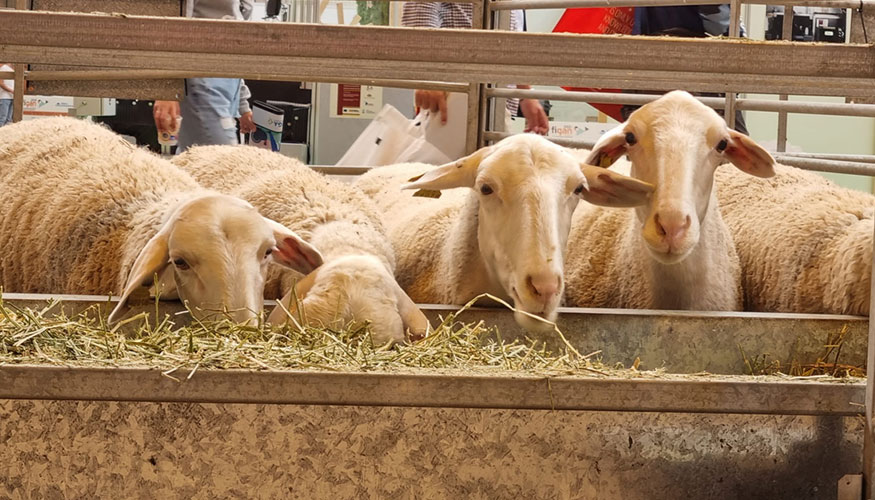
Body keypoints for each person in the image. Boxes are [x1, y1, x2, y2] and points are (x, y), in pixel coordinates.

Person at [401, 4, 549, 135]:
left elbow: (510, 31)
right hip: (453, 100)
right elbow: (420, 13)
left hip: (497, 103)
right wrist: (428, 76)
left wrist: (524, 92)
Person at [620, 5, 749, 134]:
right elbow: (720, 24)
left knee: (644, 136)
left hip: (644, 59)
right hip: (693, 59)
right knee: (731, 139)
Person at [153, 0, 257, 152]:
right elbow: (175, 21)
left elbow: (235, 33)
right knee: (223, 162)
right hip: (201, 80)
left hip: (224, 85)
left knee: (199, 164)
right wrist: (167, 88)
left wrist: (242, 106)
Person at [0, 62, 14, 127]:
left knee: (8, 119)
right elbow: (1, 83)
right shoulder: (3, 68)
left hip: (11, 96)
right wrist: (11, 91)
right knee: (3, 118)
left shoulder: (11, 69)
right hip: (4, 96)